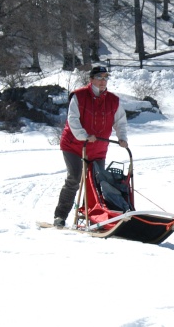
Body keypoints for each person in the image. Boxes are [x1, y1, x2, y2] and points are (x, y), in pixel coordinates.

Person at [53, 66, 128, 229]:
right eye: (100, 77)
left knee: (96, 182)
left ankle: (92, 216)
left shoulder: (113, 100)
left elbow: (120, 122)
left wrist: (122, 138)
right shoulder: (79, 96)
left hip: (98, 147)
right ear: (92, 79)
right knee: (75, 177)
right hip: (74, 144)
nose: (103, 81)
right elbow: (73, 119)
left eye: (106, 78)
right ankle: (60, 216)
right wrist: (84, 136)